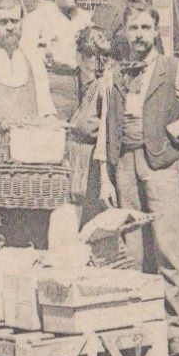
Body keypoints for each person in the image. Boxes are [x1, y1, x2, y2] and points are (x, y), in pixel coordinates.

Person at [94, 8, 179, 356]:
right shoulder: (115, 75)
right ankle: (133, 334)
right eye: (132, 27)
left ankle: (177, 331)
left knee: (168, 247)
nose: (138, 34)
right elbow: (105, 126)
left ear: (155, 30)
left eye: (145, 27)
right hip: (124, 165)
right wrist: (105, 177)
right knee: (129, 251)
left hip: (162, 163)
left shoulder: (173, 68)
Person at [0, 0, 60, 247]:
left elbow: (47, 110)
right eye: (3, 22)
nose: (10, 27)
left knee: (34, 236)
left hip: (29, 172)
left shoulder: (33, 59)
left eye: (15, 21)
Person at [21, 0, 92, 121]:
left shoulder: (86, 19)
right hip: (51, 90)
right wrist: (46, 108)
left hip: (82, 89)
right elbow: (30, 64)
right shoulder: (37, 18)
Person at [68, 25, 114, 220]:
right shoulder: (90, 83)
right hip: (77, 164)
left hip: (90, 168)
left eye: (103, 57)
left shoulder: (105, 85)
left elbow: (104, 131)